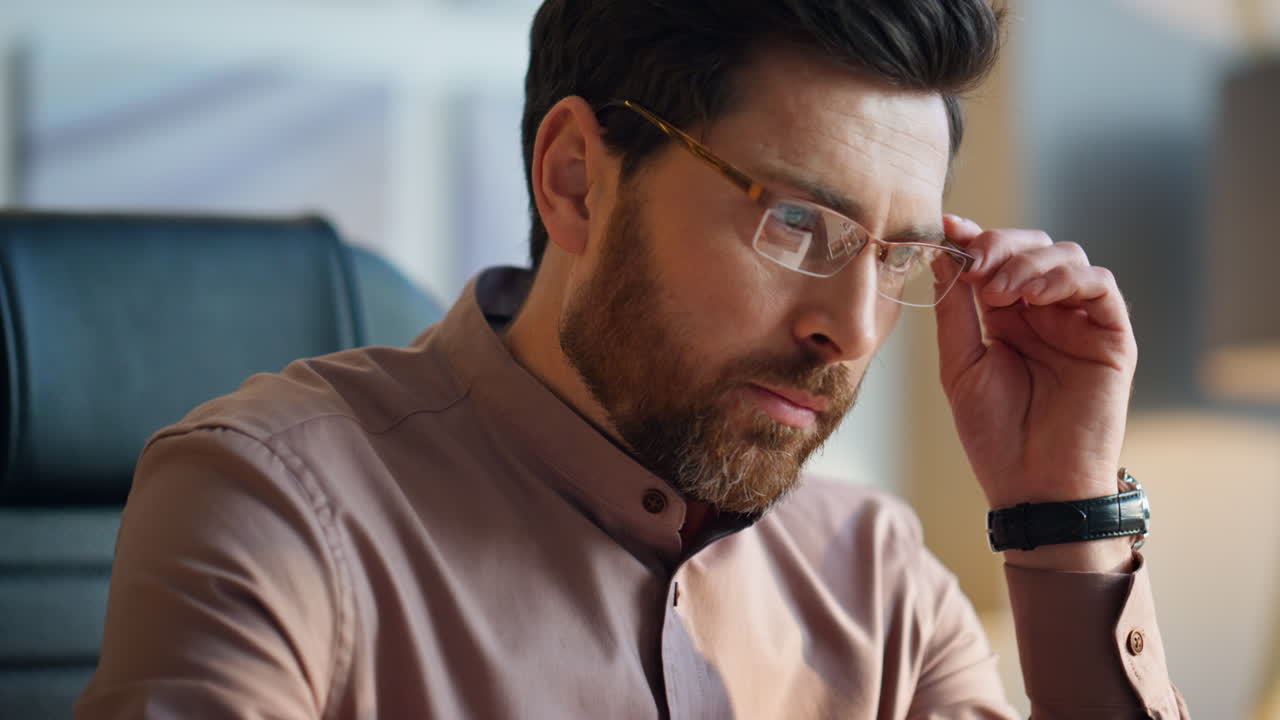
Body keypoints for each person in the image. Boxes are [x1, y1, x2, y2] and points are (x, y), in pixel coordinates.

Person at [78, 1, 1188, 718]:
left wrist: (1060, 510)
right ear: (573, 180)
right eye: (797, 223)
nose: (850, 330)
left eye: (895, 254)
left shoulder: (878, 581)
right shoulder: (269, 509)